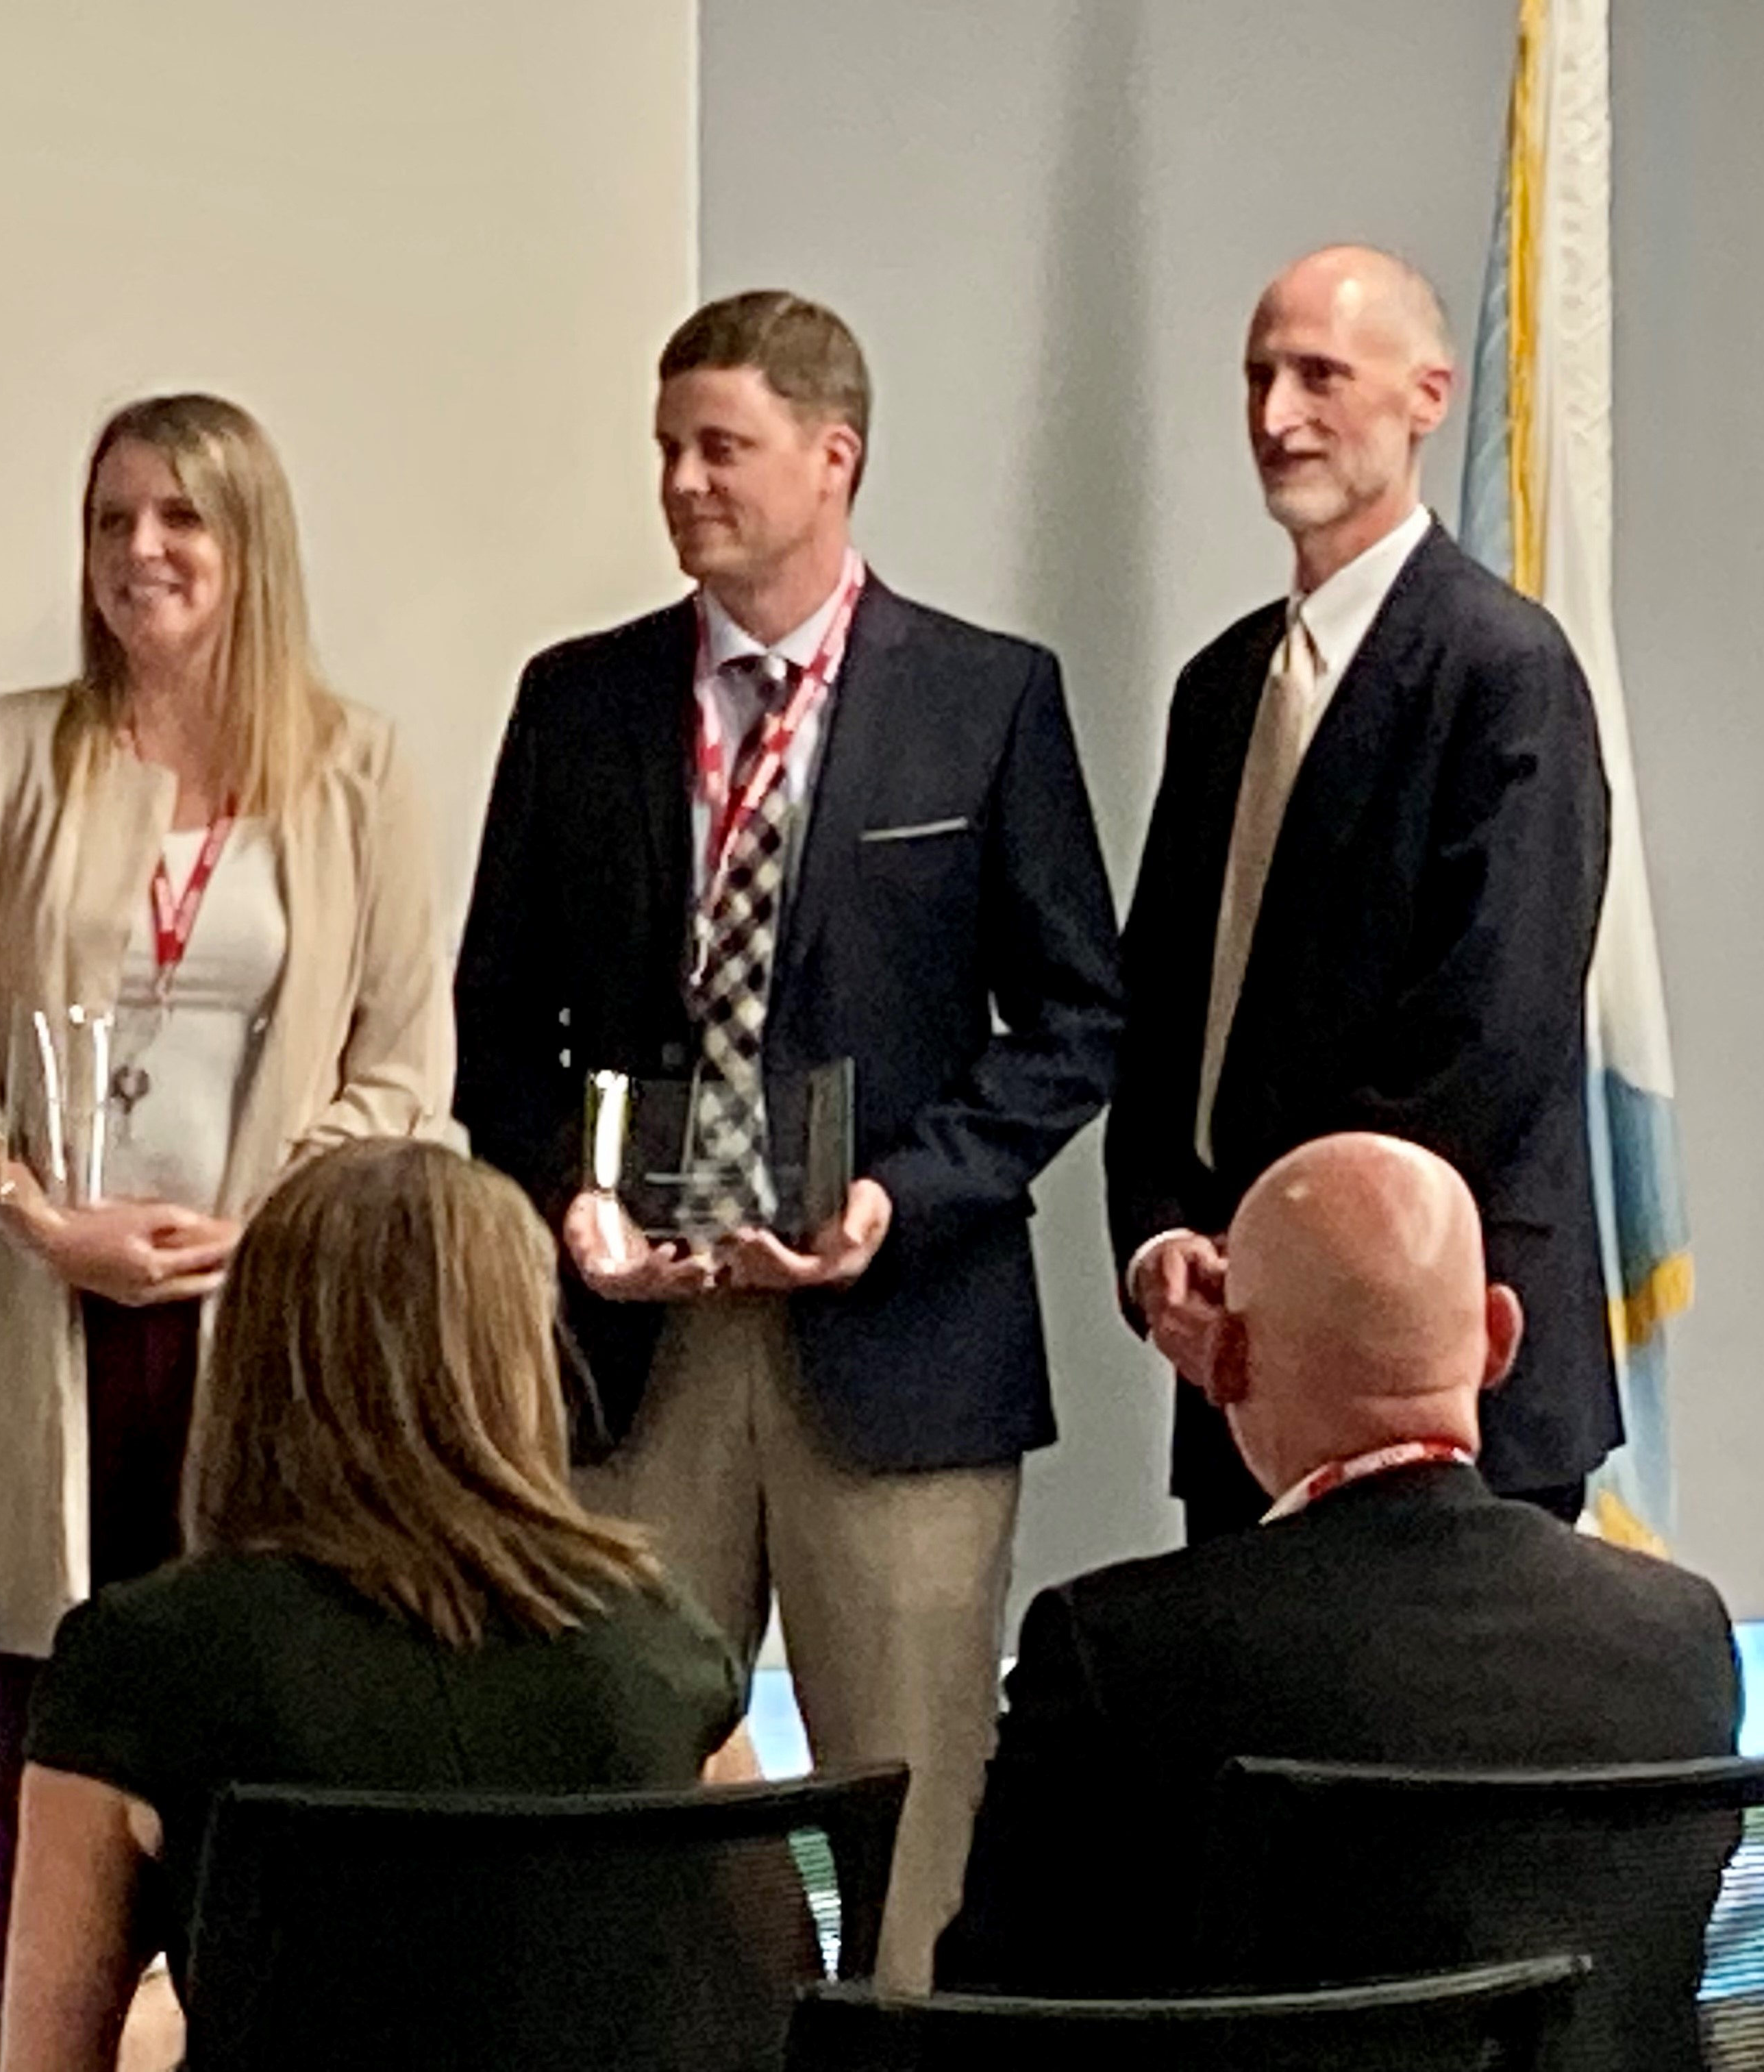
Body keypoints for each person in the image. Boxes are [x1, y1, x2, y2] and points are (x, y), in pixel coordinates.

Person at [455, 290, 1125, 1986]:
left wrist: (900, 1200)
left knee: (911, 1832)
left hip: (898, 1353)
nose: (682, 482)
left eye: (720, 446)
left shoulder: (986, 700)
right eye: (668, 447)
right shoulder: (579, 705)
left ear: (835, 458)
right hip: (635, 1351)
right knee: (615, 1805)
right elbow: (494, 1030)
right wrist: (570, 1204)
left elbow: (1074, 1026)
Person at [0, 392, 455, 2047]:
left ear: (249, 545)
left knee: (261, 1773)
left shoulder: (358, 767)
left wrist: (268, 1221)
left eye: (179, 520)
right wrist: (41, 1219)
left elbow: (407, 1064)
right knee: (48, 1779)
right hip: (46, 1326)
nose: (140, 552)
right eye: (112, 520)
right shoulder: (10, 752)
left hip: (266, 1335)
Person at [0, 1137, 746, 2072]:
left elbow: (44, 2060)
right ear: (517, 1353)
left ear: (255, 1349)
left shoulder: (143, 1658)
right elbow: (774, 1986)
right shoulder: (660, 1639)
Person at [938, 1132, 1741, 2003]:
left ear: (1228, 1360)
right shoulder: (1679, 1633)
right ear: (1501, 1337)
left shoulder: (1113, 1658)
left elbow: (983, 2025)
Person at [1106, 245, 1615, 1542]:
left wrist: (1283, 1264)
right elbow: (1163, 1012)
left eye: (1320, 374)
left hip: (1446, 1385)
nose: (1277, 417)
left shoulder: (1503, 668)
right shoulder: (1220, 689)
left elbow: (1488, 1029)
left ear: (1429, 396)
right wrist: (1164, 1236)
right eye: (1258, 377)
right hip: (1240, 1374)